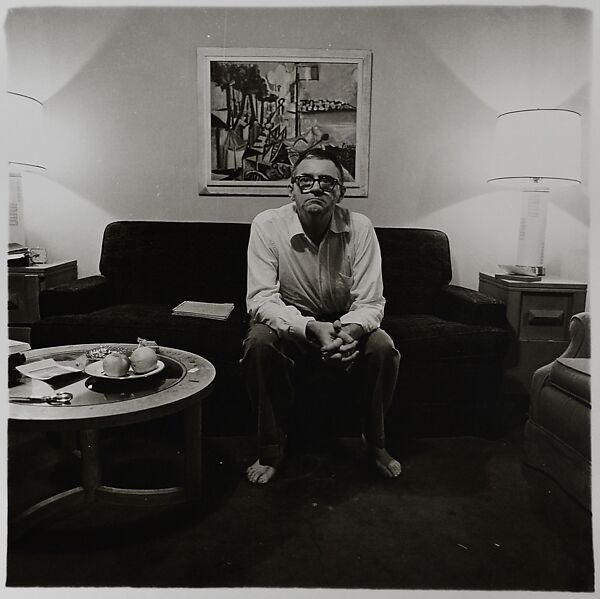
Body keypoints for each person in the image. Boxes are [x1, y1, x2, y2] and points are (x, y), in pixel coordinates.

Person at [241, 147, 401, 484]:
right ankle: (271, 449)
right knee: (257, 341)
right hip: (292, 321)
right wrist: (311, 327)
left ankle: (376, 444)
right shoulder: (267, 225)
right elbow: (260, 300)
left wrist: (349, 332)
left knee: (384, 347)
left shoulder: (360, 227)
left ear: (340, 192)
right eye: (306, 180)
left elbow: (371, 302)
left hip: (345, 321)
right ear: (292, 188)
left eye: (328, 181)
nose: (316, 188)